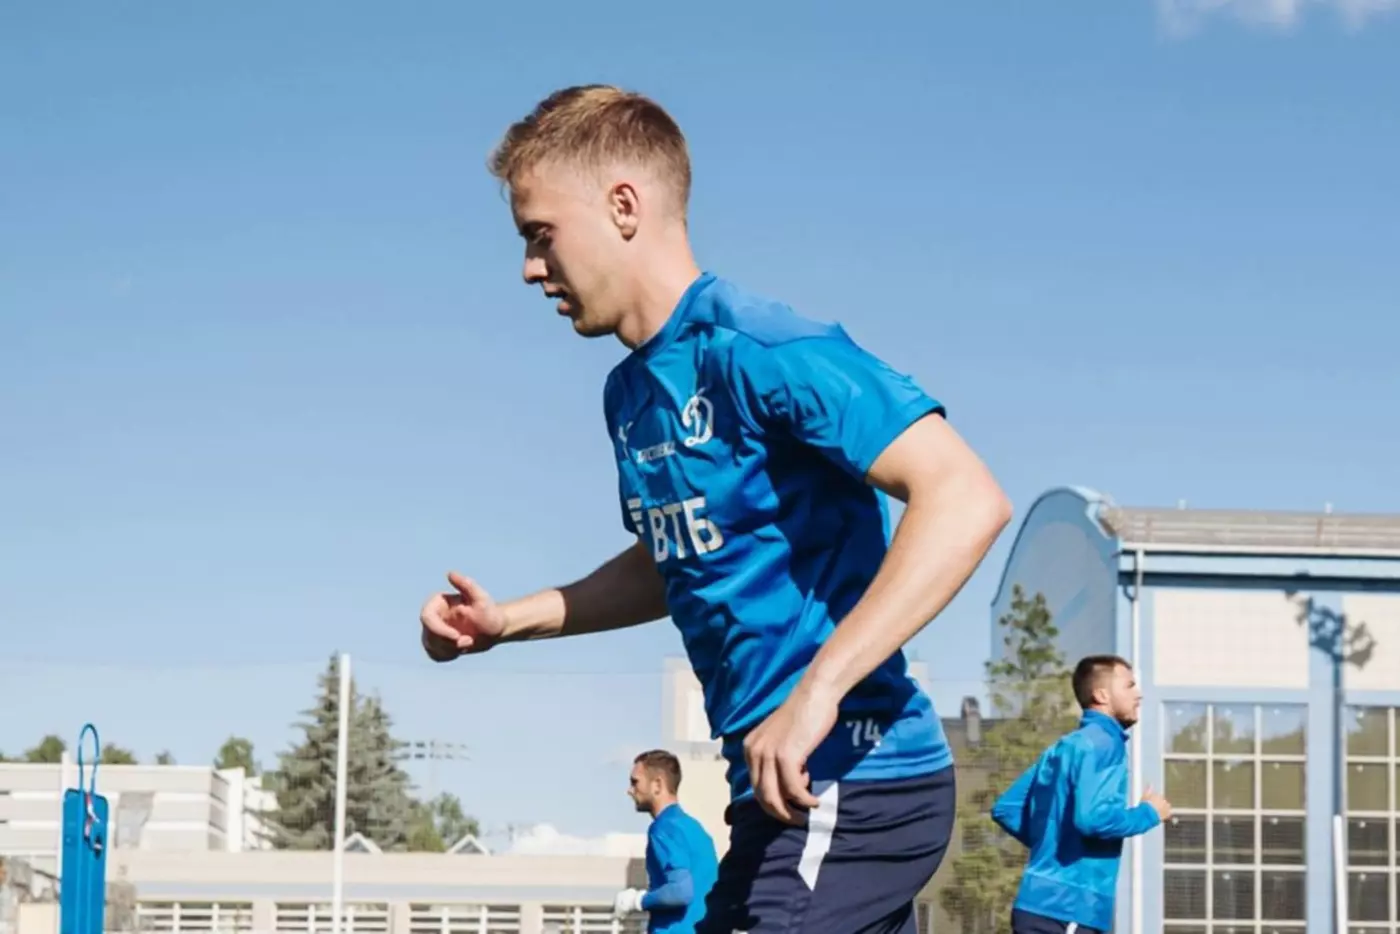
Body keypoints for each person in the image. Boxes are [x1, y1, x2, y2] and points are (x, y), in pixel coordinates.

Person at [417, 84, 1013, 933]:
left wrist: (818, 692)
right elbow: (673, 564)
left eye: (540, 235)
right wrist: (508, 621)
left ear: (624, 206)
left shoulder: (763, 348)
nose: (529, 268)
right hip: (770, 790)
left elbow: (964, 496)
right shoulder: (629, 396)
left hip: (855, 776)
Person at [990, 654, 1172, 934]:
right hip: (1070, 908)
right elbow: (1093, 819)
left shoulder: (1062, 747)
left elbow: (1007, 808)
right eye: (1129, 685)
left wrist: (1055, 844)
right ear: (1102, 695)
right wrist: (1148, 813)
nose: (1139, 694)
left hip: (1035, 905)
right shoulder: (1106, 744)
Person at [612, 750, 720, 933]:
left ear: (657, 785)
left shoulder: (663, 828)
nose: (630, 790)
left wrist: (637, 900)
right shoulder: (695, 829)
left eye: (635, 782)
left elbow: (680, 891)